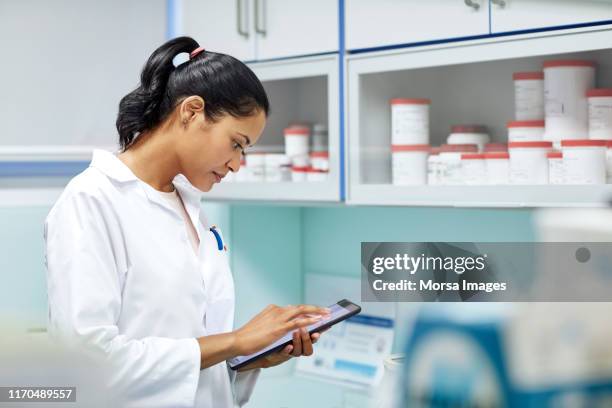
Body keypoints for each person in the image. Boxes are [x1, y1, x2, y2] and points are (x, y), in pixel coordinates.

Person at [44, 36, 329, 408]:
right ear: (192, 112)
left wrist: (245, 360)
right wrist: (236, 341)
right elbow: (86, 362)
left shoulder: (187, 205)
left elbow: (190, 353)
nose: (237, 163)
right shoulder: (91, 201)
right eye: (237, 143)